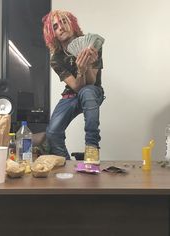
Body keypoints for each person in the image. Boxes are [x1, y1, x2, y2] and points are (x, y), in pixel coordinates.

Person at [42, 10, 104, 164]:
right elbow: (76, 86)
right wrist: (80, 71)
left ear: (72, 23)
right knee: (52, 132)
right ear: (52, 33)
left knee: (88, 91)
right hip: (71, 93)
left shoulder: (92, 44)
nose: (60, 27)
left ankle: (91, 150)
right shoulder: (56, 59)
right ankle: (67, 164)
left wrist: (87, 66)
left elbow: (91, 82)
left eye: (63, 21)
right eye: (55, 26)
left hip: (93, 90)